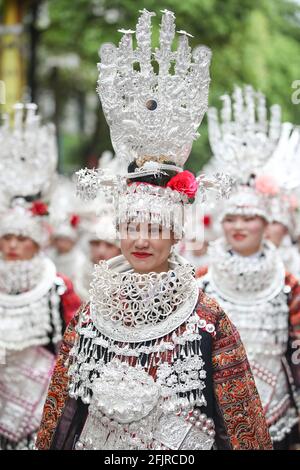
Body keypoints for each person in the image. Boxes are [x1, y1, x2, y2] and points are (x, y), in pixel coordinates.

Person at [36, 10, 271, 450]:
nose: (141, 240)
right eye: (131, 227)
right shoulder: (89, 317)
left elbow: (244, 430)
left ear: (177, 234)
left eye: (155, 227)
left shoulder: (207, 320)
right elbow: (60, 420)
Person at [197, 86, 300, 448]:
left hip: (281, 414)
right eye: (232, 218)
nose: (239, 226)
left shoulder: (288, 285)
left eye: (249, 217)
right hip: (216, 417)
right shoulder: (200, 284)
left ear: (266, 221)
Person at [0, 104, 81, 450]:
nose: (14, 245)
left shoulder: (57, 286)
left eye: (23, 239)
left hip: (41, 403)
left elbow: (73, 348)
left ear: (37, 242)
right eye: (7, 237)